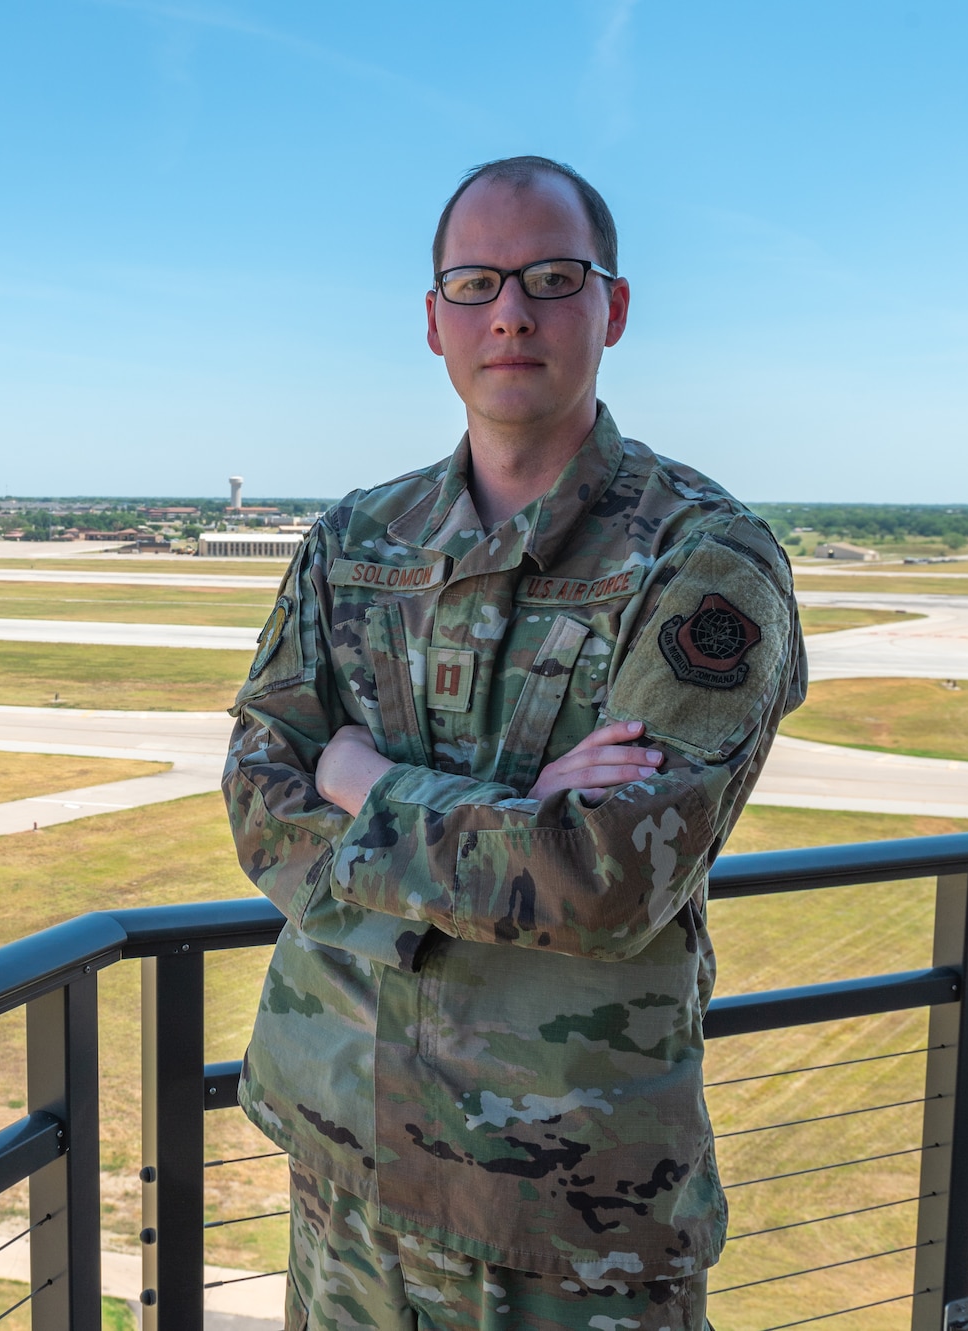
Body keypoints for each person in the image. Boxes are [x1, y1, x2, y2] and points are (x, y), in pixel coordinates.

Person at [223, 156, 808, 1331]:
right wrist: (510, 816)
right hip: (340, 1172)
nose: (510, 310)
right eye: (475, 280)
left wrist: (366, 780)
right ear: (432, 319)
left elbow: (601, 879)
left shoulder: (702, 562)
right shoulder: (354, 539)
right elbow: (255, 795)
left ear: (614, 306)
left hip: (563, 1225)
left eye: (551, 275)